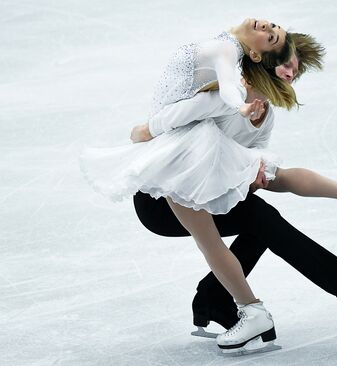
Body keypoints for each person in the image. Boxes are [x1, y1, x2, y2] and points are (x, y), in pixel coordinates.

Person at [131, 34, 337, 352]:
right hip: (163, 196)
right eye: (287, 66)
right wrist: (144, 131)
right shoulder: (220, 100)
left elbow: (276, 177)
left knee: (262, 217)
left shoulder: (264, 118)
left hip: (207, 194)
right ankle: (268, 303)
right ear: (264, 63)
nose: (292, 75)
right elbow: (153, 128)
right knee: (253, 218)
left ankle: (215, 300)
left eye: (297, 70)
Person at [80, 19, 303, 353]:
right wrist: (149, 130)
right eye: (271, 27)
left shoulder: (228, 55)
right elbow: (211, 97)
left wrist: (149, 130)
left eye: (271, 36)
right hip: (178, 159)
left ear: (257, 55)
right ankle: (244, 308)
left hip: (183, 159)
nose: (264, 24)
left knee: (230, 234)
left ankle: (236, 307)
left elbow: (224, 90)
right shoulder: (229, 54)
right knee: (222, 237)